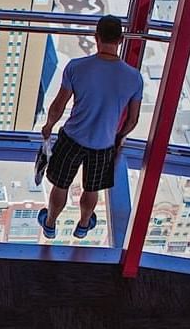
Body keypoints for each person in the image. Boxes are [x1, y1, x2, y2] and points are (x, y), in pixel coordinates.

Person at [38, 14, 143, 240]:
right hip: (104, 143)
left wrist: (48, 126)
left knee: (60, 184)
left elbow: (58, 106)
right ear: (121, 40)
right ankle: (84, 225)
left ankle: (50, 223)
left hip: (72, 137)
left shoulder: (76, 67)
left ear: (96, 37)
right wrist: (119, 136)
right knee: (92, 188)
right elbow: (133, 120)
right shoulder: (134, 78)